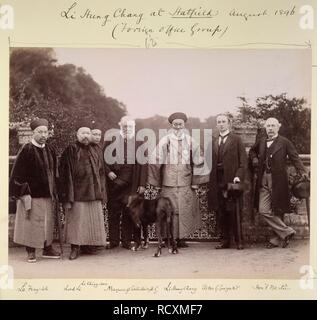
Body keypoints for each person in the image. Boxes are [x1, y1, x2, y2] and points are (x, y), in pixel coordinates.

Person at [148, 112, 209, 248]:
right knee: (166, 210)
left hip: (185, 182)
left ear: (184, 125)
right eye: (175, 124)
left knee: (183, 211)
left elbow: (199, 160)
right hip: (168, 183)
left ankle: (180, 238)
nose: (177, 127)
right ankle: (166, 238)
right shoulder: (165, 141)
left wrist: (195, 182)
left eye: (180, 124)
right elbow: (155, 160)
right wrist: (157, 183)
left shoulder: (191, 141)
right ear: (171, 125)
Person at [249, 117, 308, 248]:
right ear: (265, 127)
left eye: (273, 126)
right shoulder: (262, 141)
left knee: (278, 209)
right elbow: (252, 151)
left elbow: (295, 157)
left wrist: (303, 172)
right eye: (268, 126)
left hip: (278, 180)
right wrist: (254, 158)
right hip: (263, 179)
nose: (270, 128)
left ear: (278, 127)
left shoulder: (284, 142)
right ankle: (287, 231)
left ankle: (278, 238)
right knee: (263, 210)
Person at [9, 118, 60, 262]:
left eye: (46, 132)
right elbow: (17, 174)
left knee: (47, 223)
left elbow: (55, 172)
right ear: (33, 133)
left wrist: (56, 189)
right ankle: (30, 250)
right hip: (32, 195)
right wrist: (24, 192)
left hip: (48, 194)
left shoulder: (50, 149)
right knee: (31, 223)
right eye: (40, 132)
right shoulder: (26, 149)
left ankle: (47, 247)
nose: (44, 135)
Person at [59, 121, 107, 260]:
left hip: (94, 192)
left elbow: (101, 172)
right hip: (77, 193)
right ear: (77, 135)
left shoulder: (95, 149)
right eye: (83, 133)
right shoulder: (71, 149)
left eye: (88, 133)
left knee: (91, 221)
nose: (86, 136)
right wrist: (67, 196)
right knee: (77, 222)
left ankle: (88, 246)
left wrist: (102, 192)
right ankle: (75, 247)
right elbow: (65, 174)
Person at [104, 116, 147, 250]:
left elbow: (144, 165)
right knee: (113, 213)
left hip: (132, 183)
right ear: (120, 126)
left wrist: (142, 184)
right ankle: (114, 241)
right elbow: (103, 159)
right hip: (114, 183)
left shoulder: (140, 142)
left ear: (133, 127)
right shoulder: (111, 140)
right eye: (125, 126)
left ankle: (127, 241)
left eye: (130, 126)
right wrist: (108, 172)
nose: (127, 128)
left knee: (129, 212)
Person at [208, 114, 247, 250]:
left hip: (231, 180)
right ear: (216, 124)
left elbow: (243, 162)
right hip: (217, 180)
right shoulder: (213, 140)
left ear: (229, 123)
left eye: (224, 121)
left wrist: (238, 176)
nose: (221, 124)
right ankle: (224, 240)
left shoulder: (236, 140)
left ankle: (239, 241)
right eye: (219, 122)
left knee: (234, 211)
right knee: (221, 211)